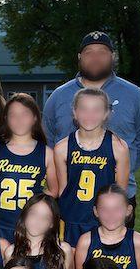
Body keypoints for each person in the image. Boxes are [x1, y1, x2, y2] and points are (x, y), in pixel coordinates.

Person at [43, 31, 140, 208]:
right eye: (89, 52)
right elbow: (47, 141)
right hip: (69, 194)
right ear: (79, 57)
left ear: (112, 56)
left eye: (102, 52)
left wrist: (121, 167)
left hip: (118, 195)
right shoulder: (59, 96)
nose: (95, 58)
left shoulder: (134, 94)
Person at [54, 86, 130, 247]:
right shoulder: (62, 147)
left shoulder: (118, 147)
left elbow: (120, 193)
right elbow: (63, 190)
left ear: (106, 114)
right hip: (71, 220)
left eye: (96, 110)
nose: (90, 115)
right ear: (74, 112)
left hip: (104, 220)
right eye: (84, 109)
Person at [0, 92, 59, 245]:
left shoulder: (46, 153)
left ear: (35, 118)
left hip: (33, 228)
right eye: (13, 115)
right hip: (0, 225)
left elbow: (54, 191)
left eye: (25, 114)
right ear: (6, 119)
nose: (19, 120)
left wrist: (33, 197)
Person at [14, 194, 74, 269]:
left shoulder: (63, 250)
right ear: (25, 215)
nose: (38, 221)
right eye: (33, 214)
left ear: (52, 223)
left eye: (45, 217)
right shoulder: (12, 252)